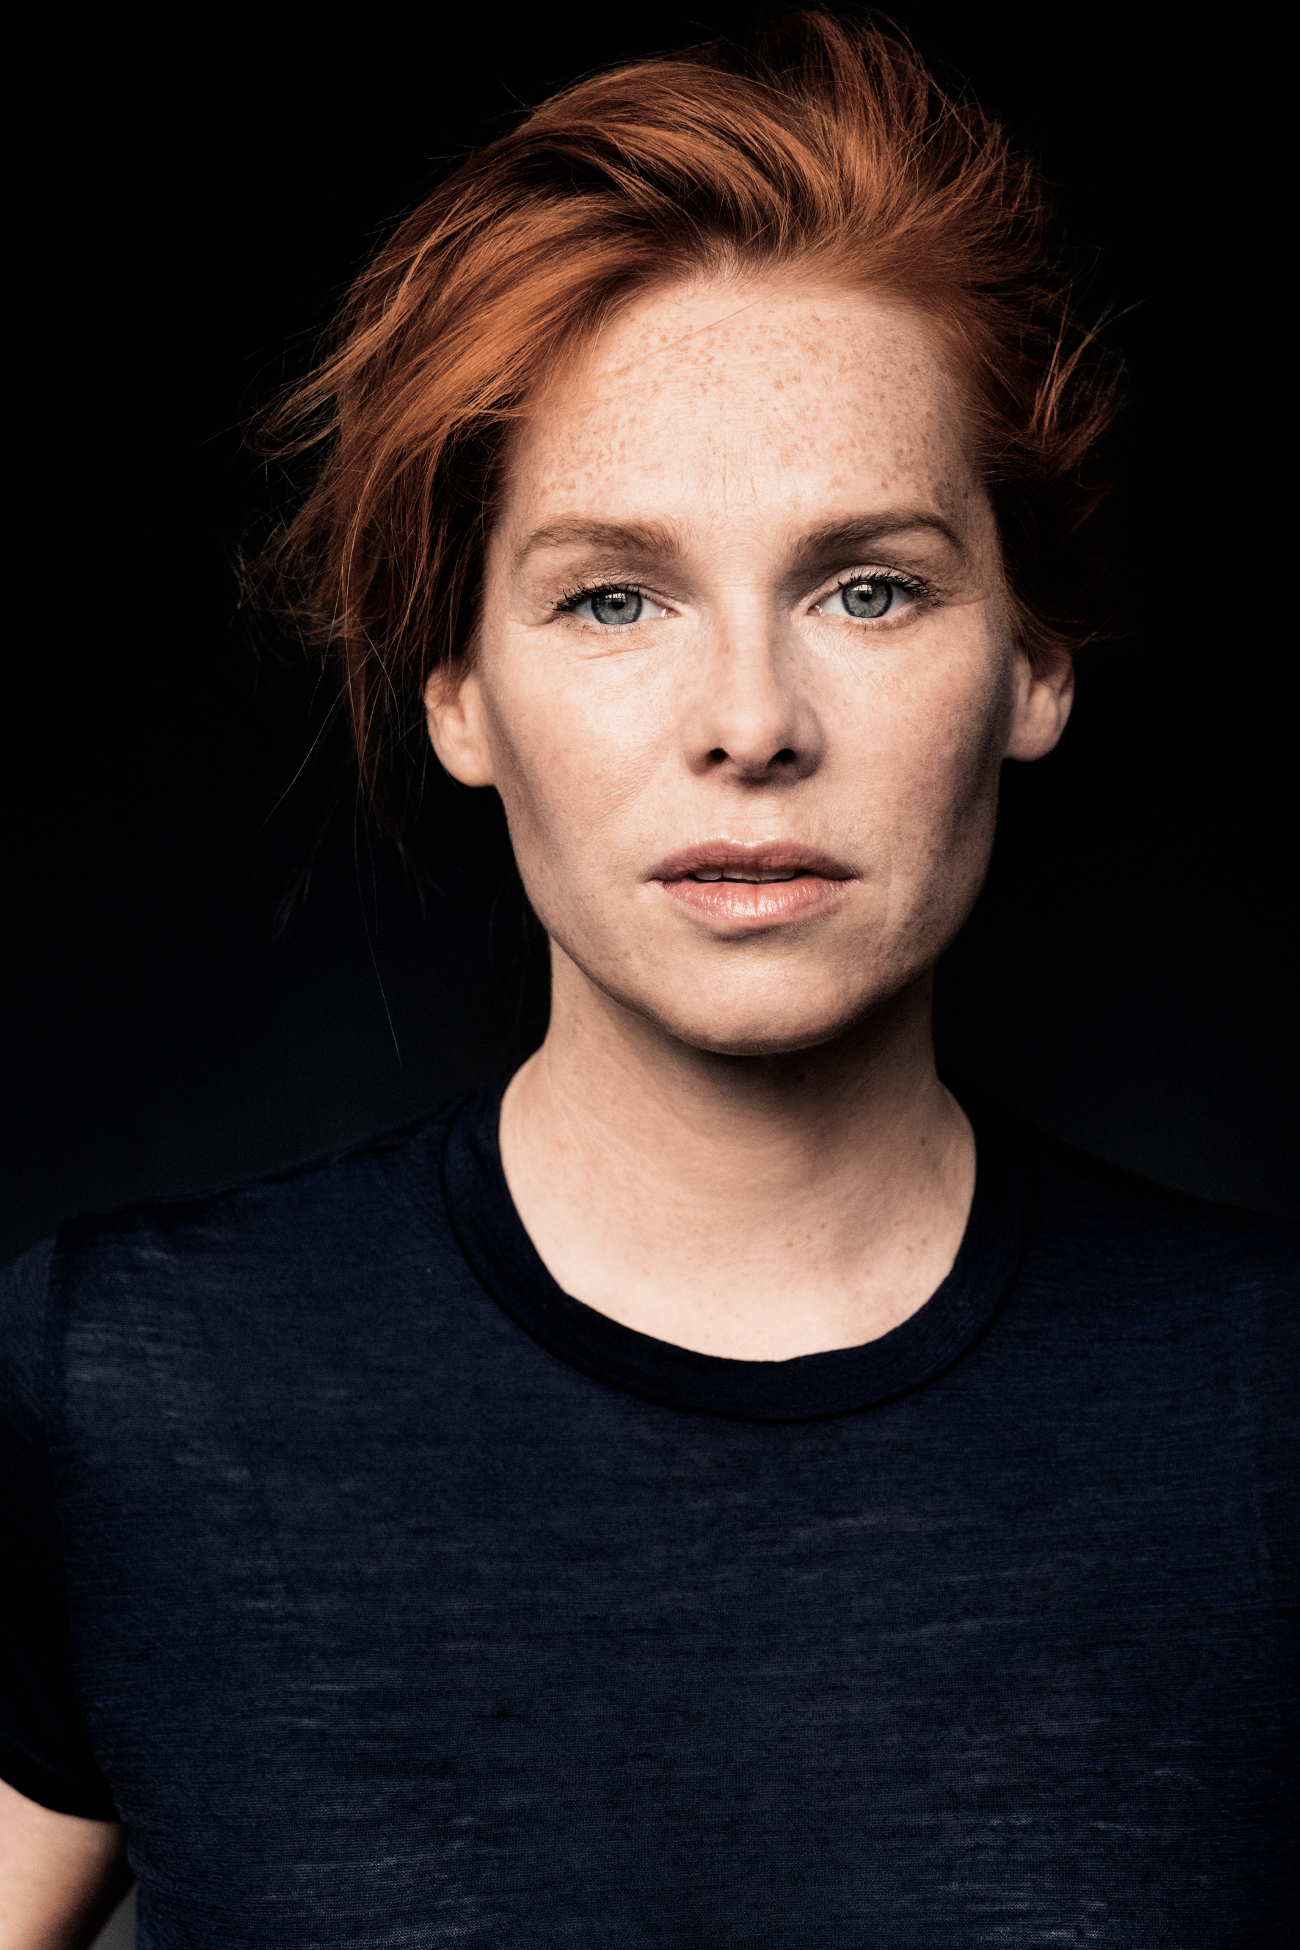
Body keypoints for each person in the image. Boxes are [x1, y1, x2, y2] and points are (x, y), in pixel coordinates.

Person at [1, 14, 1292, 1945]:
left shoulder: (1270, 1403)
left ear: (1033, 660)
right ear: (459, 687)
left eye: (870, 586)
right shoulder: (121, 1379)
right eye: (615, 595)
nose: (750, 721)